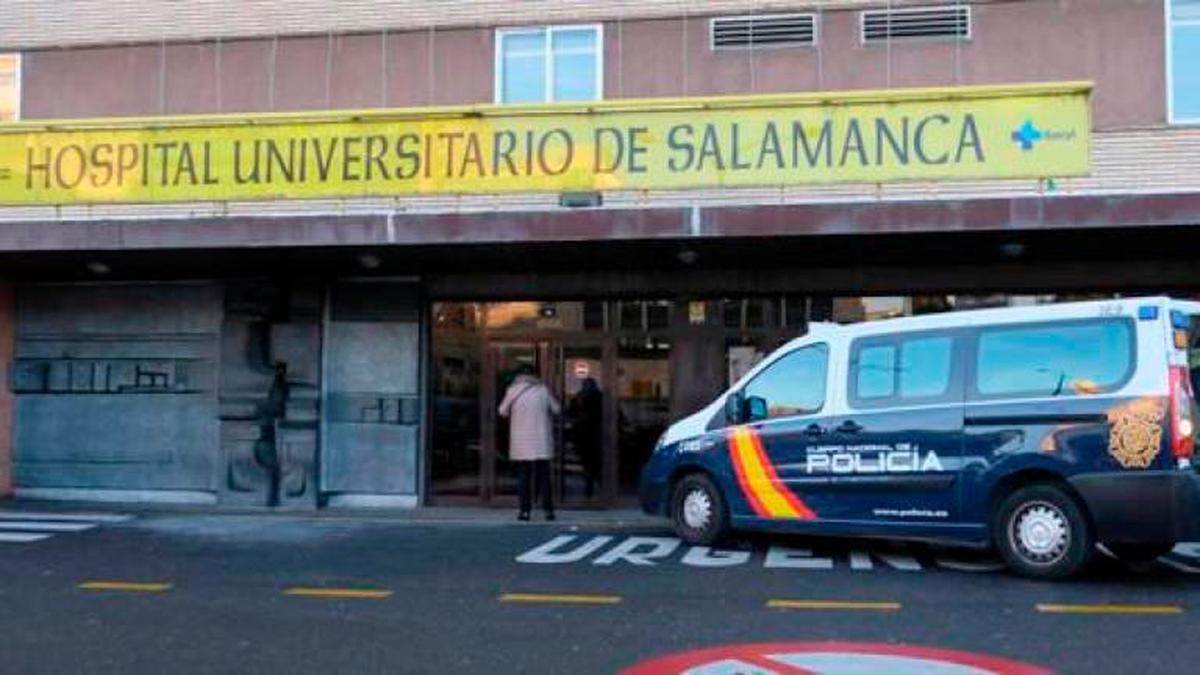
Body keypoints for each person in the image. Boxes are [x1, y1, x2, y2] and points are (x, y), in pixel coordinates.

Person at [498, 364, 561, 521]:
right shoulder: (543, 390)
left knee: (524, 477)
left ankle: (524, 512)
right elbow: (556, 409)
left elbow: (502, 411)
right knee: (544, 476)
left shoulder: (512, 390)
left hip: (522, 441)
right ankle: (548, 511)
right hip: (541, 441)